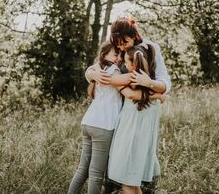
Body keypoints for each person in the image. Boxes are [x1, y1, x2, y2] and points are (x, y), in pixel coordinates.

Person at [85, 18, 171, 194]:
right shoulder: (117, 48)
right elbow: (95, 67)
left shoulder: (149, 48)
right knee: (120, 162)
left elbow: (165, 83)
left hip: (144, 113)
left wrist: (151, 85)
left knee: (140, 160)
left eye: (125, 43)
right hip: (123, 113)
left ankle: (146, 188)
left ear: (134, 36)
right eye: (118, 44)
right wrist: (92, 74)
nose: (122, 47)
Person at [68, 41, 164, 194]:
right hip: (103, 126)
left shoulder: (100, 69)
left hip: (88, 122)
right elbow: (131, 91)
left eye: (121, 55)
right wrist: (158, 93)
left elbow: (93, 71)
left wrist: (91, 72)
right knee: (96, 175)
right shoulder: (115, 73)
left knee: (82, 170)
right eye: (116, 54)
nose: (120, 58)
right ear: (104, 54)